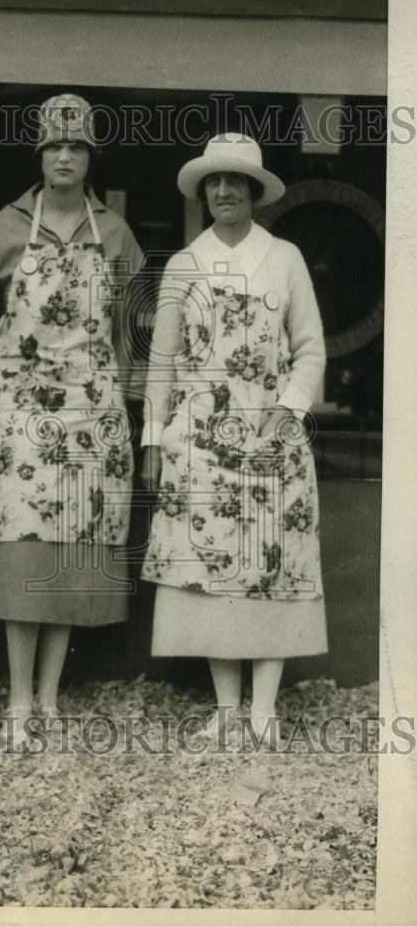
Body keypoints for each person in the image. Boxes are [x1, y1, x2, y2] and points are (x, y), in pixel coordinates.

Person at [0, 94, 143, 746]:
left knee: (69, 549)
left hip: (87, 415)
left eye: (76, 146)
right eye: (53, 146)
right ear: (39, 155)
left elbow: (122, 333)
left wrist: (116, 398)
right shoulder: (7, 227)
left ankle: (49, 696)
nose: (64, 156)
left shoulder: (113, 231)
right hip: (12, 415)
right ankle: (16, 700)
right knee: (20, 548)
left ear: (90, 158)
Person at [141, 133, 327, 743]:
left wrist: (288, 412)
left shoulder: (286, 258)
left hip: (272, 441)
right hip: (199, 445)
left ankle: (264, 711)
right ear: (202, 192)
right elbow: (162, 362)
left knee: (270, 570)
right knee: (212, 575)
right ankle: (226, 711)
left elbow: (310, 351)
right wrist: (153, 437)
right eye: (214, 182)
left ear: (254, 192)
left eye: (236, 182)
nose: (224, 191)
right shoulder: (183, 265)